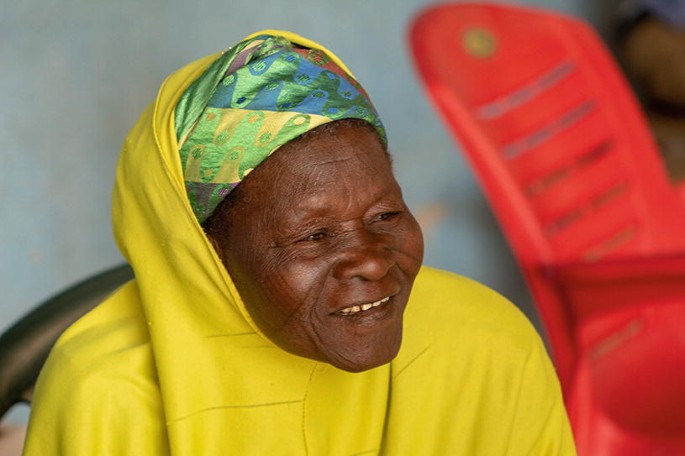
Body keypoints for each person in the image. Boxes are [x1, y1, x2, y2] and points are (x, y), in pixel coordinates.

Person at [23, 30, 576, 455]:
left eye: (385, 213)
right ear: (204, 258)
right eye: (314, 236)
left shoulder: (489, 348)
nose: (369, 260)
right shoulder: (113, 398)